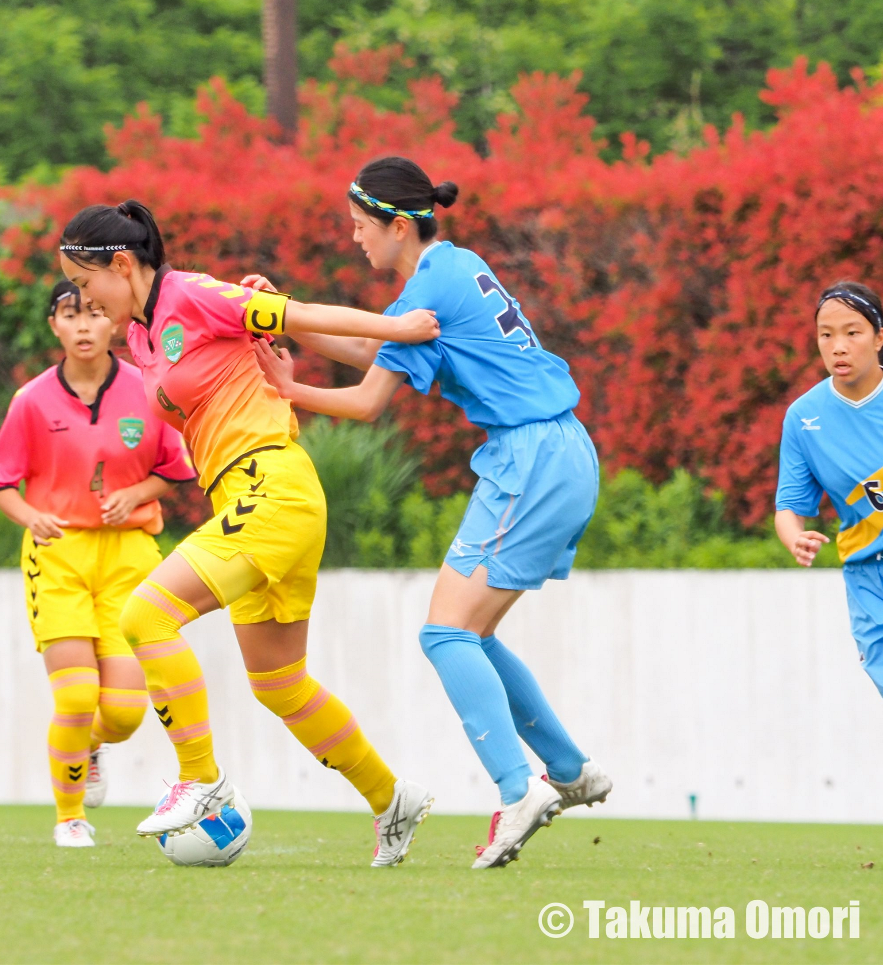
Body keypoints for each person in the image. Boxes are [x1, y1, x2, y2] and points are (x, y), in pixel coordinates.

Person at [250, 156, 612, 869]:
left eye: (361, 227)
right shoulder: (456, 267)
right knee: (470, 631)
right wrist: (285, 312)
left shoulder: (430, 286)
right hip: (563, 450)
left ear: (397, 225)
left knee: (446, 633)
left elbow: (363, 399)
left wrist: (284, 390)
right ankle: (569, 770)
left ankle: (519, 788)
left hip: (530, 456)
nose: (356, 239)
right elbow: (367, 346)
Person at [58, 200, 440, 867]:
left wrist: (399, 327)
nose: (86, 303)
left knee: (146, 613)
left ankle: (201, 779)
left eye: (88, 287)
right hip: (249, 497)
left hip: (272, 487)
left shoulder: (193, 294)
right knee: (280, 682)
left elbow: (302, 315)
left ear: (123, 265)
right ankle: (391, 796)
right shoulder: (142, 338)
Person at [0, 280, 197, 847]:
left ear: (114, 325)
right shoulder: (31, 400)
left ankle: (90, 746)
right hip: (59, 556)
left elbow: (177, 469)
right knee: (76, 697)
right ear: (53, 326)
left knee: (124, 715)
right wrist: (30, 516)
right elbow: (1, 480)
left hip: (129, 554)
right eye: (69, 315)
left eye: (93, 314)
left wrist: (136, 493)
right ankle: (70, 815)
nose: (82, 326)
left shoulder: (146, 389)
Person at [775, 277, 883, 728]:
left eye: (853, 332)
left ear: (879, 337)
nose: (838, 346)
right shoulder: (803, 418)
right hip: (873, 585)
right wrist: (795, 538)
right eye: (826, 335)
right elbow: (789, 505)